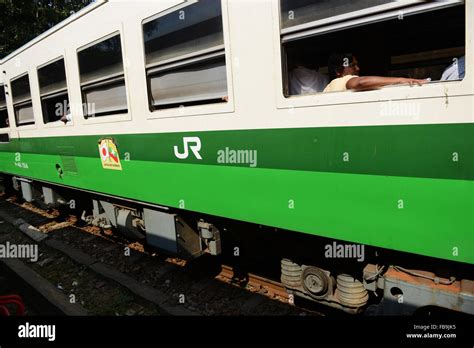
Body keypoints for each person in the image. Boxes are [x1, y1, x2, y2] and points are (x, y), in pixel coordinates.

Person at [323, 53, 428, 93]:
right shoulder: (341, 81)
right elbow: (361, 82)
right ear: (338, 71)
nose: (358, 68)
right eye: (352, 66)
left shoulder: (329, 87)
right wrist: (401, 80)